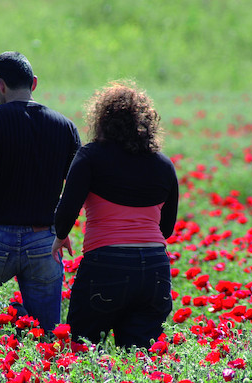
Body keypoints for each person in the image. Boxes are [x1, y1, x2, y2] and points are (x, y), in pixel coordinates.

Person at [51, 80, 179, 349]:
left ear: (101, 120)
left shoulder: (90, 157)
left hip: (107, 263)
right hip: (155, 269)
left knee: (82, 349)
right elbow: (166, 229)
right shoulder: (164, 165)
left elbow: (66, 211)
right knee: (140, 360)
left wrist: (60, 236)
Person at [0, 51, 81, 331]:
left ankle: (13, 320)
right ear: (34, 83)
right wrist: (62, 231)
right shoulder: (65, 127)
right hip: (44, 241)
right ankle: (28, 329)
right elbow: (76, 189)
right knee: (47, 331)